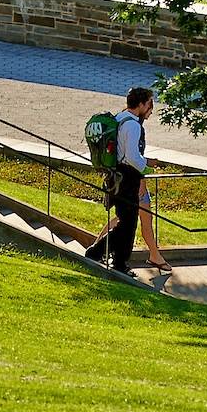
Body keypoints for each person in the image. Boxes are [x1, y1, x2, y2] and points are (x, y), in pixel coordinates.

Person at [82, 86, 159, 274]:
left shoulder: (119, 118)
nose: (151, 110)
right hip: (127, 177)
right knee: (129, 224)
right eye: (149, 104)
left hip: (115, 175)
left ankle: (114, 260)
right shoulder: (133, 126)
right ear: (140, 104)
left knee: (125, 222)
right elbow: (132, 157)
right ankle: (106, 256)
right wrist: (146, 168)